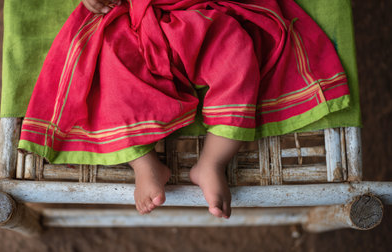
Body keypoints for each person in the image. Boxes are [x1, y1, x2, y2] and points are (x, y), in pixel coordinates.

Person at [19, 0, 350, 219]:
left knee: (238, 56)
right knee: (109, 73)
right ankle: (144, 164)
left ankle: (212, 162)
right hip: (138, 24)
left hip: (205, 16)